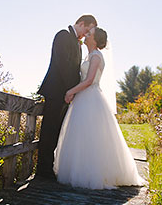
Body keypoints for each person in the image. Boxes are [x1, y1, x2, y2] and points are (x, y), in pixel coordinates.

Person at [54, 27, 146, 189]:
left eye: (89, 34)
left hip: (91, 97)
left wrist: (70, 91)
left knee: (92, 135)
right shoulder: (89, 56)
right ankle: (79, 169)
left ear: (95, 40)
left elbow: (89, 80)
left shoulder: (96, 56)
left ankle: (93, 174)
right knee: (81, 135)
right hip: (83, 98)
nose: (86, 36)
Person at [36, 15, 97, 179]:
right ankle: (42, 171)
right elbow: (63, 64)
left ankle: (48, 169)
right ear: (81, 23)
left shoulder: (78, 44)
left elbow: (74, 69)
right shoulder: (62, 35)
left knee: (57, 131)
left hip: (66, 94)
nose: (86, 34)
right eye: (87, 30)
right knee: (49, 131)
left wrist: (73, 91)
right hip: (56, 92)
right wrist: (72, 90)